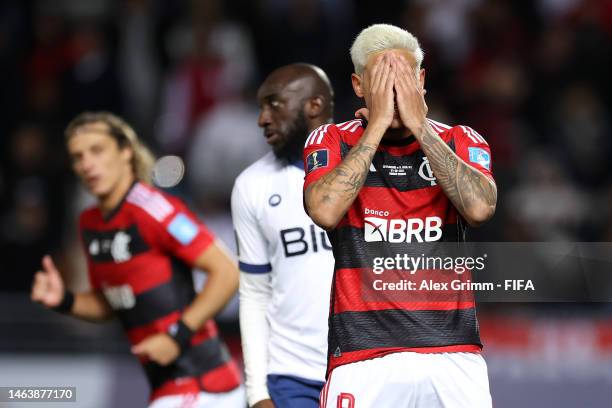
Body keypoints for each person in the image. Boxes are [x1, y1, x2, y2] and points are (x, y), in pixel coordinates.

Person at [303, 24, 497, 407]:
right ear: (359, 86)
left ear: (421, 81)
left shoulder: (461, 138)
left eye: (404, 77)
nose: (394, 90)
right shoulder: (331, 140)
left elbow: (479, 208)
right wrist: (375, 126)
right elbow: (325, 210)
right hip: (364, 357)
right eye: (381, 79)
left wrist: (420, 127)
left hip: (453, 356)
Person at [30, 112, 245, 407]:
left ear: (125, 152)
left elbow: (228, 271)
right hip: (167, 388)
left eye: (97, 150)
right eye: (78, 156)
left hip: (204, 383)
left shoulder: (153, 209)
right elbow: (112, 303)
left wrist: (175, 337)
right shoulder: (90, 223)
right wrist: (65, 300)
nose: (87, 164)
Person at [231, 64, 335, 408]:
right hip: (292, 378)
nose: (262, 119)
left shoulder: (369, 167)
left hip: (366, 367)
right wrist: (257, 392)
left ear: (314, 106)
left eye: (274, 104)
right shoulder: (253, 185)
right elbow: (254, 294)